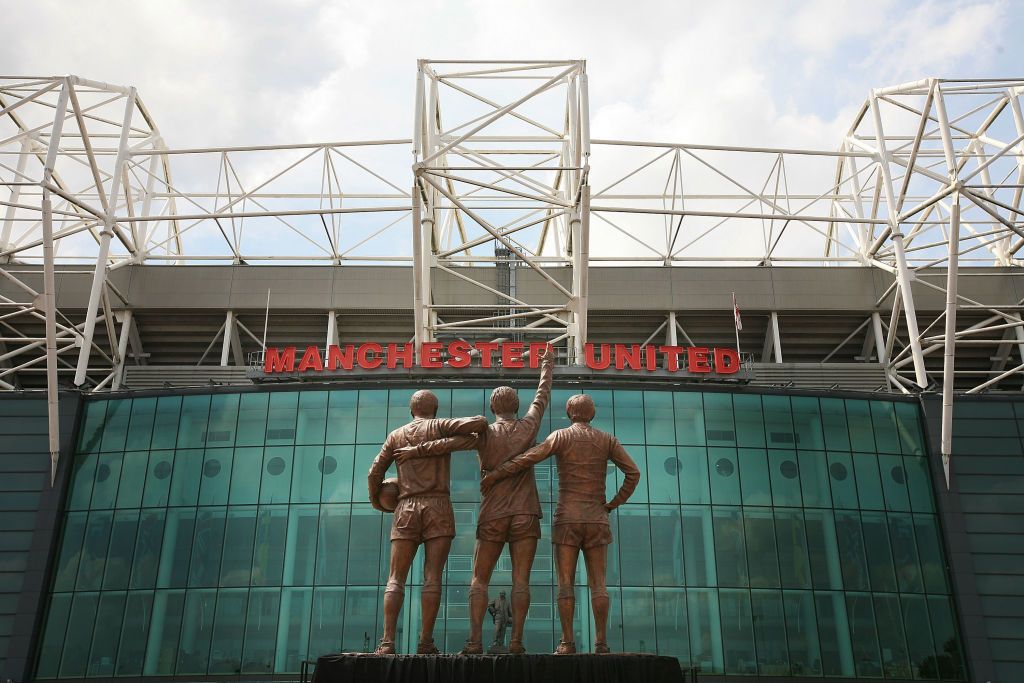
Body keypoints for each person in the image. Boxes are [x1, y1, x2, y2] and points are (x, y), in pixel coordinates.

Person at [393, 345, 553, 654]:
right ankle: (517, 642)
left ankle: (475, 641)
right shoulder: (529, 425)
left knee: (479, 578)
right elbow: (542, 395)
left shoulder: (483, 436)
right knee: (522, 580)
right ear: (516, 406)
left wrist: (414, 450)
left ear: (493, 408)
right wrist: (546, 364)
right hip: (526, 513)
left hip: (492, 513)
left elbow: (446, 445)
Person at [481, 394, 640, 655]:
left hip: (567, 519)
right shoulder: (606, 439)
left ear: (569, 413)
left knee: (565, 583)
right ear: (592, 414)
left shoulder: (560, 437)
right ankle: (601, 643)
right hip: (597, 518)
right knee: (598, 583)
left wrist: (496, 474)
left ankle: (567, 643)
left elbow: (527, 459)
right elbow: (633, 473)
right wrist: (612, 503)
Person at [367, 390, 486, 655]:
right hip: (438, 506)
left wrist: (377, 501)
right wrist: (449, 440)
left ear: (412, 410)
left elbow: (374, 471)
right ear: (434, 409)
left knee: (395, 578)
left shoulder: (396, 435)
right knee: (433, 577)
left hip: (406, 506)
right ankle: (426, 642)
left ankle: (387, 642)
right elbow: (479, 423)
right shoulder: (440, 426)